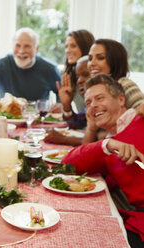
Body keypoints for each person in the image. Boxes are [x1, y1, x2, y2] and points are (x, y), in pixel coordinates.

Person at [62, 74, 144, 247]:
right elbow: (67, 164)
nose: (93, 106)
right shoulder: (108, 147)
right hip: (136, 222)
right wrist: (106, 144)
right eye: (88, 103)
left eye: (99, 98)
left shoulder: (140, 119)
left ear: (121, 99)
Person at [44, 56, 91, 146]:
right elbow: (78, 124)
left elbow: (102, 141)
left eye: (85, 75)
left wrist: (65, 139)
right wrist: (66, 105)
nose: (79, 81)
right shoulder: (89, 104)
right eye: (77, 77)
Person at [60, 29, 95, 112]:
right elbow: (80, 118)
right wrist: (66, 106)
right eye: (66, 46)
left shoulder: (95, 74)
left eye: (73, 46)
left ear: (85, 47)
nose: (68, 51)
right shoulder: (71, 76)